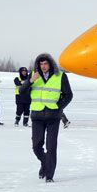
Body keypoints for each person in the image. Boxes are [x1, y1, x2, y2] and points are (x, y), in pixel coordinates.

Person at [20, 53, 73, 182]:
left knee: (51, 146)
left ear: (50, 64)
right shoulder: (34, 76)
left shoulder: (60, 76)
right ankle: (45, 163)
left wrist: (58, 107)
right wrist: (30, 81)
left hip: (53, 117)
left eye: (45, 64)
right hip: (37, 116)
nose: (43, 66)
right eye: (41, 64)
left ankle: (49, 175)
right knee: (36, 146)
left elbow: (69, 95)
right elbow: (22, 92)